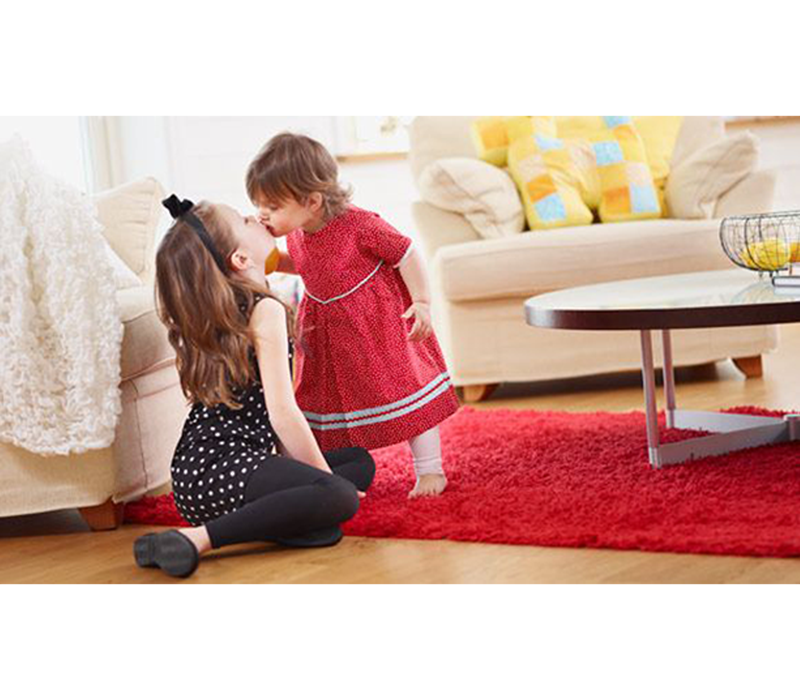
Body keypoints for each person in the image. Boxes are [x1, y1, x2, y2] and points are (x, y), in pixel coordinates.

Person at [133, 194, 375, 578]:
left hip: (193, 479)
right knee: (340, 495)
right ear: (241, 259)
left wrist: (310, 473)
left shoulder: (223, 313)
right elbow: (282, 414)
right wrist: (324, 481)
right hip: (225, 467)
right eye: (244, 221)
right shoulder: (266, 310)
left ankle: (276, 518)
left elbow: (268, 422)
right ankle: (197, 539)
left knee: (358, 461)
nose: (255, 217)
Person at [246, 133, 459, 498]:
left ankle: (429, 470)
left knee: (405, 389)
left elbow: (406, 253)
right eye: (259, 205)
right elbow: (308, 265)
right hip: (326, 328)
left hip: (375, 324)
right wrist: (269, 260)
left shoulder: (360, 224)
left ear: (312, 201)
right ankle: (319, 469)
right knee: (321, 399)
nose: (263, 214)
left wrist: (422, 302)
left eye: (273, 206)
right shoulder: (298, 230)